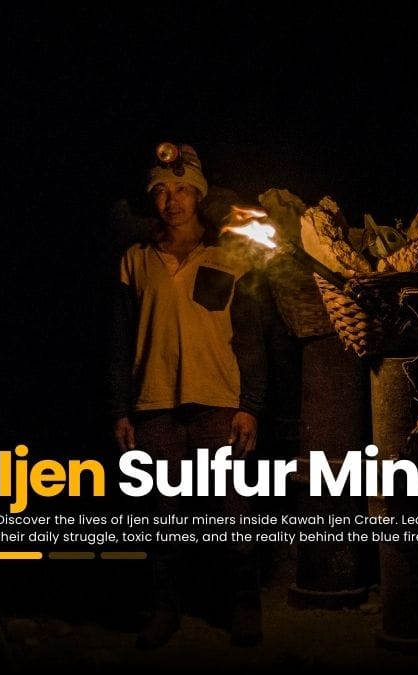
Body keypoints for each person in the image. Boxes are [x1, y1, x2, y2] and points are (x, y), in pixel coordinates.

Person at [109, 142, 267, 649]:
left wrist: (250, 407)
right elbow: (118, 341)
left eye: (181, 189)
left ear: (198, 196)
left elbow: (248, 338)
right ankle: (164, 609)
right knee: (161, 517)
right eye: (160, 190)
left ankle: (243, 606)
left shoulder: (227, 257)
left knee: (233, 512)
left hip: (218, 400)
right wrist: (119, 409)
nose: (171, 199)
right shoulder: (134, 261)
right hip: (154, 403)